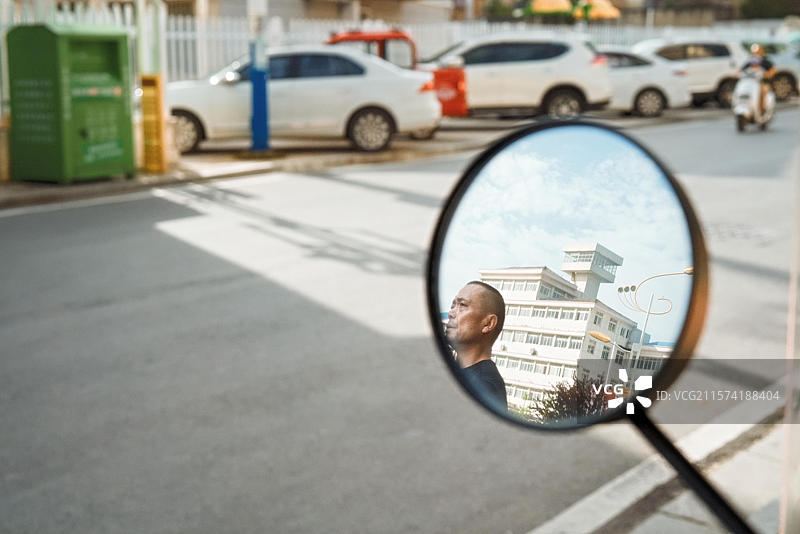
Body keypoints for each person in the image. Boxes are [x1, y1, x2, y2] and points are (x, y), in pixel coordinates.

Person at [445, 281, 507, 410]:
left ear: (488, 324)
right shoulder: (458, 375)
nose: (451, 313)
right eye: (453, 305)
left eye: (462, 305)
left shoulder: (484, 386)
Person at [740, 43, 776, 116]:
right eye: (754, 52)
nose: (756, 54)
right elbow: (741, 70)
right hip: (751, 83)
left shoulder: (765, 61)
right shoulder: (750, 62)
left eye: (757, 52)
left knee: (762, 92)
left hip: (763, 83)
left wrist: (768, 74)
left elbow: (773, 70)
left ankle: (762, 109)